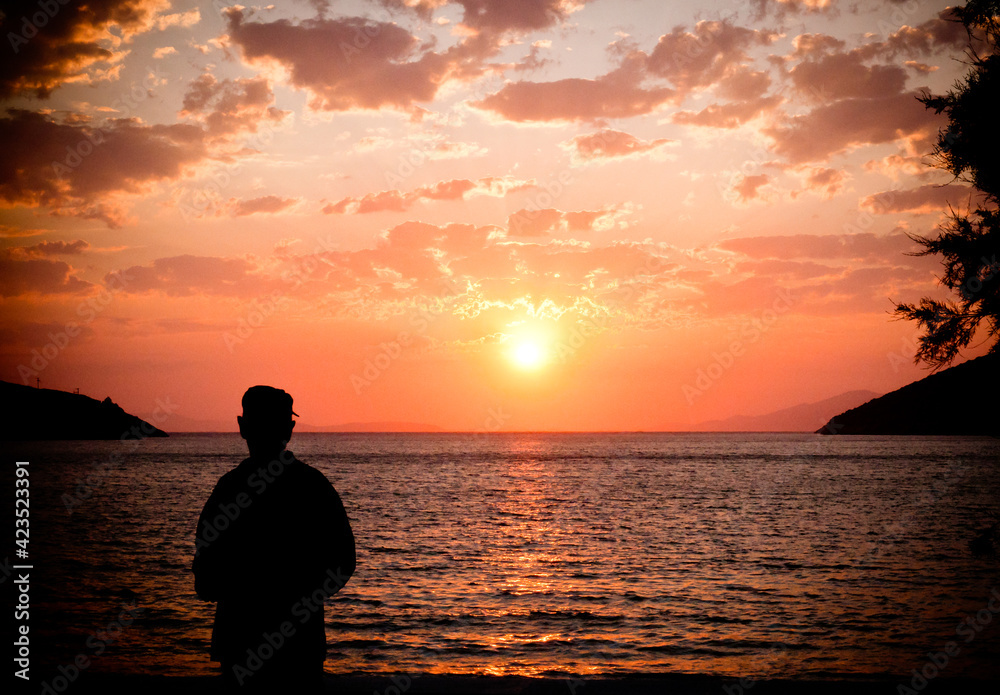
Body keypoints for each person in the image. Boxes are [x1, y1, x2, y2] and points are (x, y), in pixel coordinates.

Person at [193, 386, 356, 692]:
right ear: (290, 429)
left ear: (242, 427)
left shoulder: (227, 490)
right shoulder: (313, 487)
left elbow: (205, 580)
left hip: (239, 645)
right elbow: (344, 561)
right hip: (300, 649)